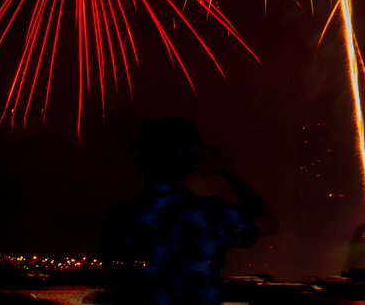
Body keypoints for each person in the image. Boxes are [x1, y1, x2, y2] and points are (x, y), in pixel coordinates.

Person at [101, 116, 276, 305]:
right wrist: (228, 170)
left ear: (140, 160)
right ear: (194, 160)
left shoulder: (118, 218)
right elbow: (268, 221)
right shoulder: (212, 215)